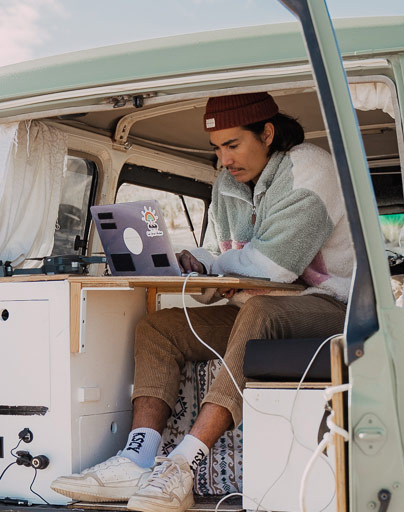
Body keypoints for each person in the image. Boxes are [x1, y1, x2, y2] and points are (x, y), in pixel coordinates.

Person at [51, 92, 353, 512]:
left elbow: (275, 266)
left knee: (259, 310)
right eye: (217, 148)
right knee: (159, 329)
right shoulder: (228, 183)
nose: (224, 159)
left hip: (332, 307)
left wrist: (217, 267)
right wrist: (196, 263)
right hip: (257, 306)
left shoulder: (310, 169)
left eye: (233, 145)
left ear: (267, 133)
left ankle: (181, 466)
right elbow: (222, 251)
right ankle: (136, 459)